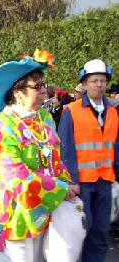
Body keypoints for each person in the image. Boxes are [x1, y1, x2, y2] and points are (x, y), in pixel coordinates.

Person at [0, 50, 76, 261]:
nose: (44, 92)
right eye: (37, 87)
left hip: (42, 212)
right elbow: (16, 178)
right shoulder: (1, 126)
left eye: (44, 85)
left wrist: (65, 182)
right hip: (12, 218)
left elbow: (55, 160)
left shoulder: (43, 118)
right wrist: (62, 190)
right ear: (18, 92)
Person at [59, 59, 119, 262]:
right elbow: (65, 148)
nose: (99, 84)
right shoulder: (72, 111)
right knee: (80, 233)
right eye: (94, 80)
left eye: (103, 80)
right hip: (81, 184)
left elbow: (116, 147)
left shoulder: (112, 112)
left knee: (100, 233)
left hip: (105, 182)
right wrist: (71, 181)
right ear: (84, 84)